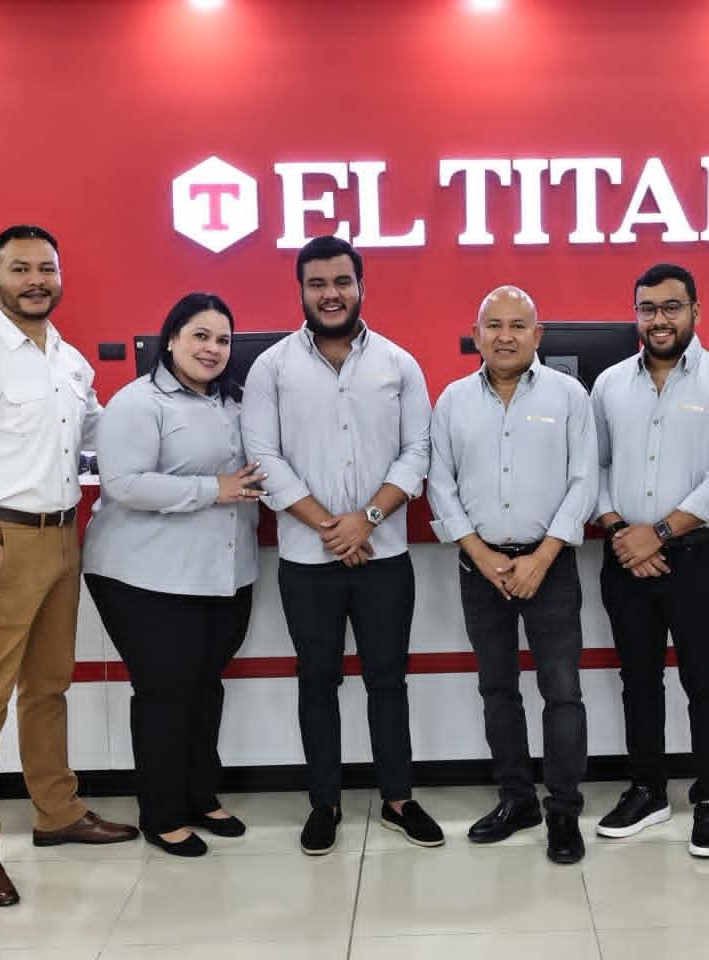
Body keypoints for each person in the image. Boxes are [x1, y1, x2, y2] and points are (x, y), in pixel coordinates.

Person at [0, 225, 137, 909]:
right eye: (20, 269)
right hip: (0, 541)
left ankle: (57, 812)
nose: (36, 280)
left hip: (63, 537)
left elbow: (99, 430)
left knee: (48, 688)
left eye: (46, 268)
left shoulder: (66, 358)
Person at [241, 235, 442, 854]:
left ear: (360, 286)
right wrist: (334, 525)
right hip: (308, 560)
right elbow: (264, 458)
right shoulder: (272, 368)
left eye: (341, 282)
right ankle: (324, 802)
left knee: (388, 679)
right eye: (317, 284)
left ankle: (398, 798)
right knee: (317, 680)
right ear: (301, 291)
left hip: (385, 558)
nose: (331, 294)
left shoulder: (399, 363)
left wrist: (369, 519)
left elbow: (418, 451)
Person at [82, 292, 262, 857]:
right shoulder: (139, 402)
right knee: (165, 691)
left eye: (223, 340)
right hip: (145, 575)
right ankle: (161, 813)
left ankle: (200, 794)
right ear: (171, 339)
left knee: (205, 687)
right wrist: (215, 489)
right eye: (200, 336)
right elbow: (125, 484)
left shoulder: (234, 403)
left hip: (222, 572)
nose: (212, 349)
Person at [590, 262, 709, 858]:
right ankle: (648, 790)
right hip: (624, 558)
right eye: (647, 308)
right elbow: (593, 467)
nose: (659, 319)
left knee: (704, 680)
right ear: (635, 315)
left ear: (694, 311)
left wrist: (657, 534)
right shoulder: (609, 385)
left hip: (698, 558)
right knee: (637, 679)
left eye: (671, 307)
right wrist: (620, 532)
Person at [427, 286, 598, 865]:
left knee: (562, 690)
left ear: (537, 334)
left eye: (518, 325)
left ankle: (564, 810)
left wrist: (542, 557)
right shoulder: (453, 401)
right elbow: (440, 483)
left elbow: (584, 481)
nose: (505, 336)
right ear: (477, 335)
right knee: (497, 688)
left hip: (550, 565)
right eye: (494, 325)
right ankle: (516, 799)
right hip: (481, 567)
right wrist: (479, 553)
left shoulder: (569, 395)